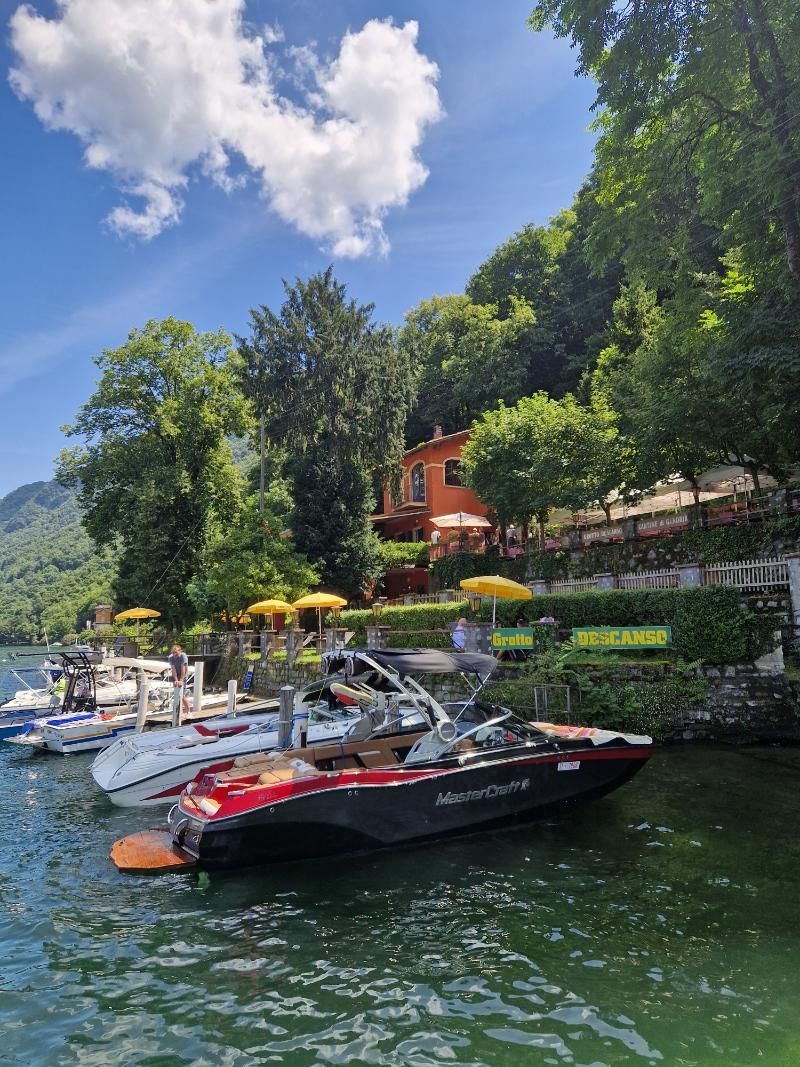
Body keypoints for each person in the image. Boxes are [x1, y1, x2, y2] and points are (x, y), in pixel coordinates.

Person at [168, 643, 191, 718]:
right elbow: (173, 669)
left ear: (180, 651)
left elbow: (183, 669)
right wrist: (176, 680)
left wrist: (181, 680)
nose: (175, 655)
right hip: (176, 675)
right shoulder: (171, 657)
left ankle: (188, 711)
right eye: (173, 653)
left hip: (183, 675)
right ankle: (179, 712)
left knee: (182, 695)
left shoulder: (183, 656)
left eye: (176, 653)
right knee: (177, 694)